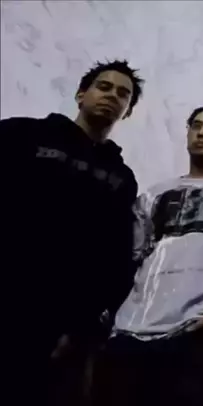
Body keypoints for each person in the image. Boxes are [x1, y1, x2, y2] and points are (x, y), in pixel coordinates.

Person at [91, 101, 203, 406]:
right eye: (196, 126)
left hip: (200, 334)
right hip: (129, 337)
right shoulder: (152, 194)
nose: (201, 133)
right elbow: (132, 257)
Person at [0, 59, 144, 404]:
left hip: (55, 328)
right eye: (104, 87)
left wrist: (85, 327)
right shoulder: (21, 135)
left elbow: (116, 257)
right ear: (81, 95)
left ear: (126, 112)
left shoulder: (121, 178)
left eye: (123, 94)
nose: (112, 96)